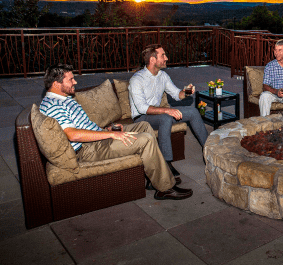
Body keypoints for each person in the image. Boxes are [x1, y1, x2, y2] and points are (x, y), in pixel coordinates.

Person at [39, 64, 192, 200]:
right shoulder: (54, 105)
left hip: (95, 140)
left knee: (144, 125)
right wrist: (111, 134)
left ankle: (156, 178)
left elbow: (82, 127)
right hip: (87, 150)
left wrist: (106, 129)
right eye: (70, 80)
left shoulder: (64, 98)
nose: (75, 82)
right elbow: (72, 134)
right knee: (145, 139)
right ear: (56, 84)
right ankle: (165, 188)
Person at [128, 44, 208, 177]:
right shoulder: (137, 80)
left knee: (193, 112)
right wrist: (166, 110)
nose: (166, 58)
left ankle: (209, 151)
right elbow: (142, 108)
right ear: (152, 60)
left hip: (158, 114)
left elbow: (177, 95)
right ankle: (166, 163)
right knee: (165, 117)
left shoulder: (162, 76)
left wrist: (186, 92)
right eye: (163, 55)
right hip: (141, 118)